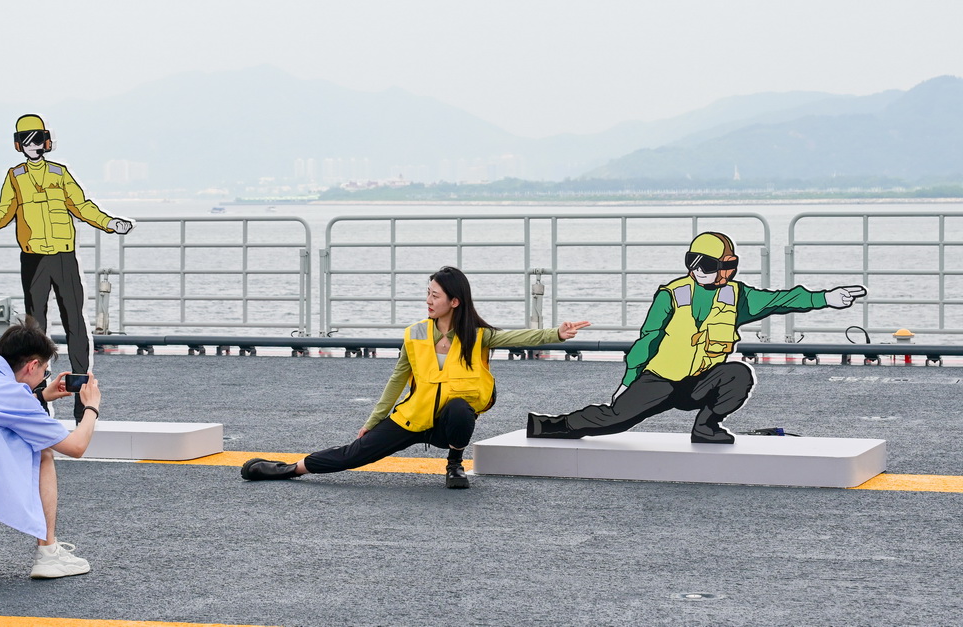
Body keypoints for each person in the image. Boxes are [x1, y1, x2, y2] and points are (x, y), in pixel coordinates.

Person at [242, 266, 590, 489]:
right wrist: (374, 420)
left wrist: (556, 334)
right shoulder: (415, 335)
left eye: (434, 295)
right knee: (352, 454)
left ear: (454, 302)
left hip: (447, 425)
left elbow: (518, 338)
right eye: (427, 293)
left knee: (459, 408)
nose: (428, 300)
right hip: (412, 419)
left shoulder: (477, 335)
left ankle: (454, 462)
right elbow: (396, 380)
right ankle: (287, 469)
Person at [527, 231, 866, 444]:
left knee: (739, 374)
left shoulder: (737, 296)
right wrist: (629, 380)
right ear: (698, 265)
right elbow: (648, 338)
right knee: (615, 421)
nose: (726, 273)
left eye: (730, 266)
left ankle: (706, 427)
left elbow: (781, 299)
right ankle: (549, 426)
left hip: (700, 382)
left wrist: (825, 297)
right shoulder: (672, 294)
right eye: (721, 266)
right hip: (659, 379)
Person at [0, 114, 133, 423]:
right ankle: (36, 396)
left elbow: (82, 206)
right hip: (34, 259)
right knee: (35, 330)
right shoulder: (16, 176)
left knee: (75, 323)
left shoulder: (59, 173)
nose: (33, 145)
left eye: (37, 138)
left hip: (64, 258)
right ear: (18, 144)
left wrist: (109, 223)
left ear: (46, 140)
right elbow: (3, 211)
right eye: (26, 140)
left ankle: (81, 395)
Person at [0, 320, 103, 580]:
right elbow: (75, 447)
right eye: (45, 371)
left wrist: (39, 396)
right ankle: (48, 554)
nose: (43, 378)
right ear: (32, 365)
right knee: (41, 452)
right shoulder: (12, 395)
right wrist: (91, 408)